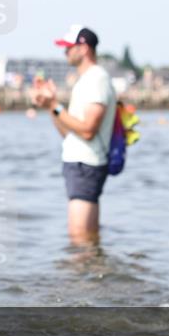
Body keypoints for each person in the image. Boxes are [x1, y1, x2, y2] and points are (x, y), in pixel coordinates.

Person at [30, 25, 117, 246]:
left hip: (86, 165)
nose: (65, 53)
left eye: (69, 48)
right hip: (80, 164)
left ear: (84, 47)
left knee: (79, 240)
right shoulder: (86, 80)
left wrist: (55, 105)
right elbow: (68, 133)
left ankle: (82, 280)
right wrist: (50, 106)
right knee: (87, 239)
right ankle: (90, 279)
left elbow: (87, 130)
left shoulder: (96, 78)